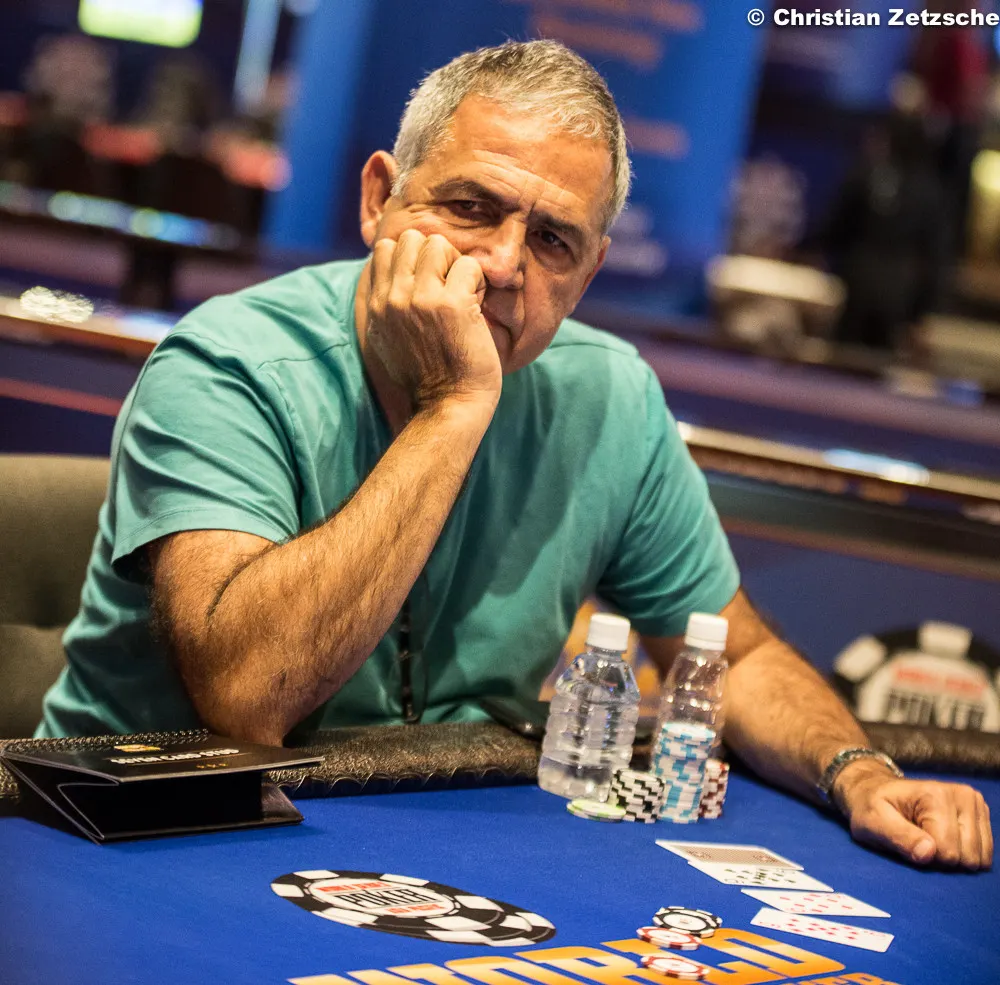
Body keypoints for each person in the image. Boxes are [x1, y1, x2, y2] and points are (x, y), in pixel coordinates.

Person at [38, 41, 991, 870]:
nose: (502, 264)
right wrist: (455, 404)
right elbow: (247, 701)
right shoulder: (226, 361)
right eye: (470, 205)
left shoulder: (610, 395)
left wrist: (857, 770)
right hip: (139, 836)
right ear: (378, 199)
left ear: (590, 272)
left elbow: (732, 658)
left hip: (421, 835)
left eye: (552, 239)